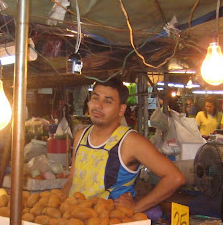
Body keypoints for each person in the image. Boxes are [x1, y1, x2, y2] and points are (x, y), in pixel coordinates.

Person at [62, 77, 185, 214]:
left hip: (111, 223)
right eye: (95, 98)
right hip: (77, 219)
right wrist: (58, 206)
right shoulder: (81, 136)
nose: (98, 105)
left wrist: (135, 208)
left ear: (121, 109)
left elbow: (174, 177)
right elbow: (72, 180)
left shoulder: (130, 141)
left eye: (108, 101)